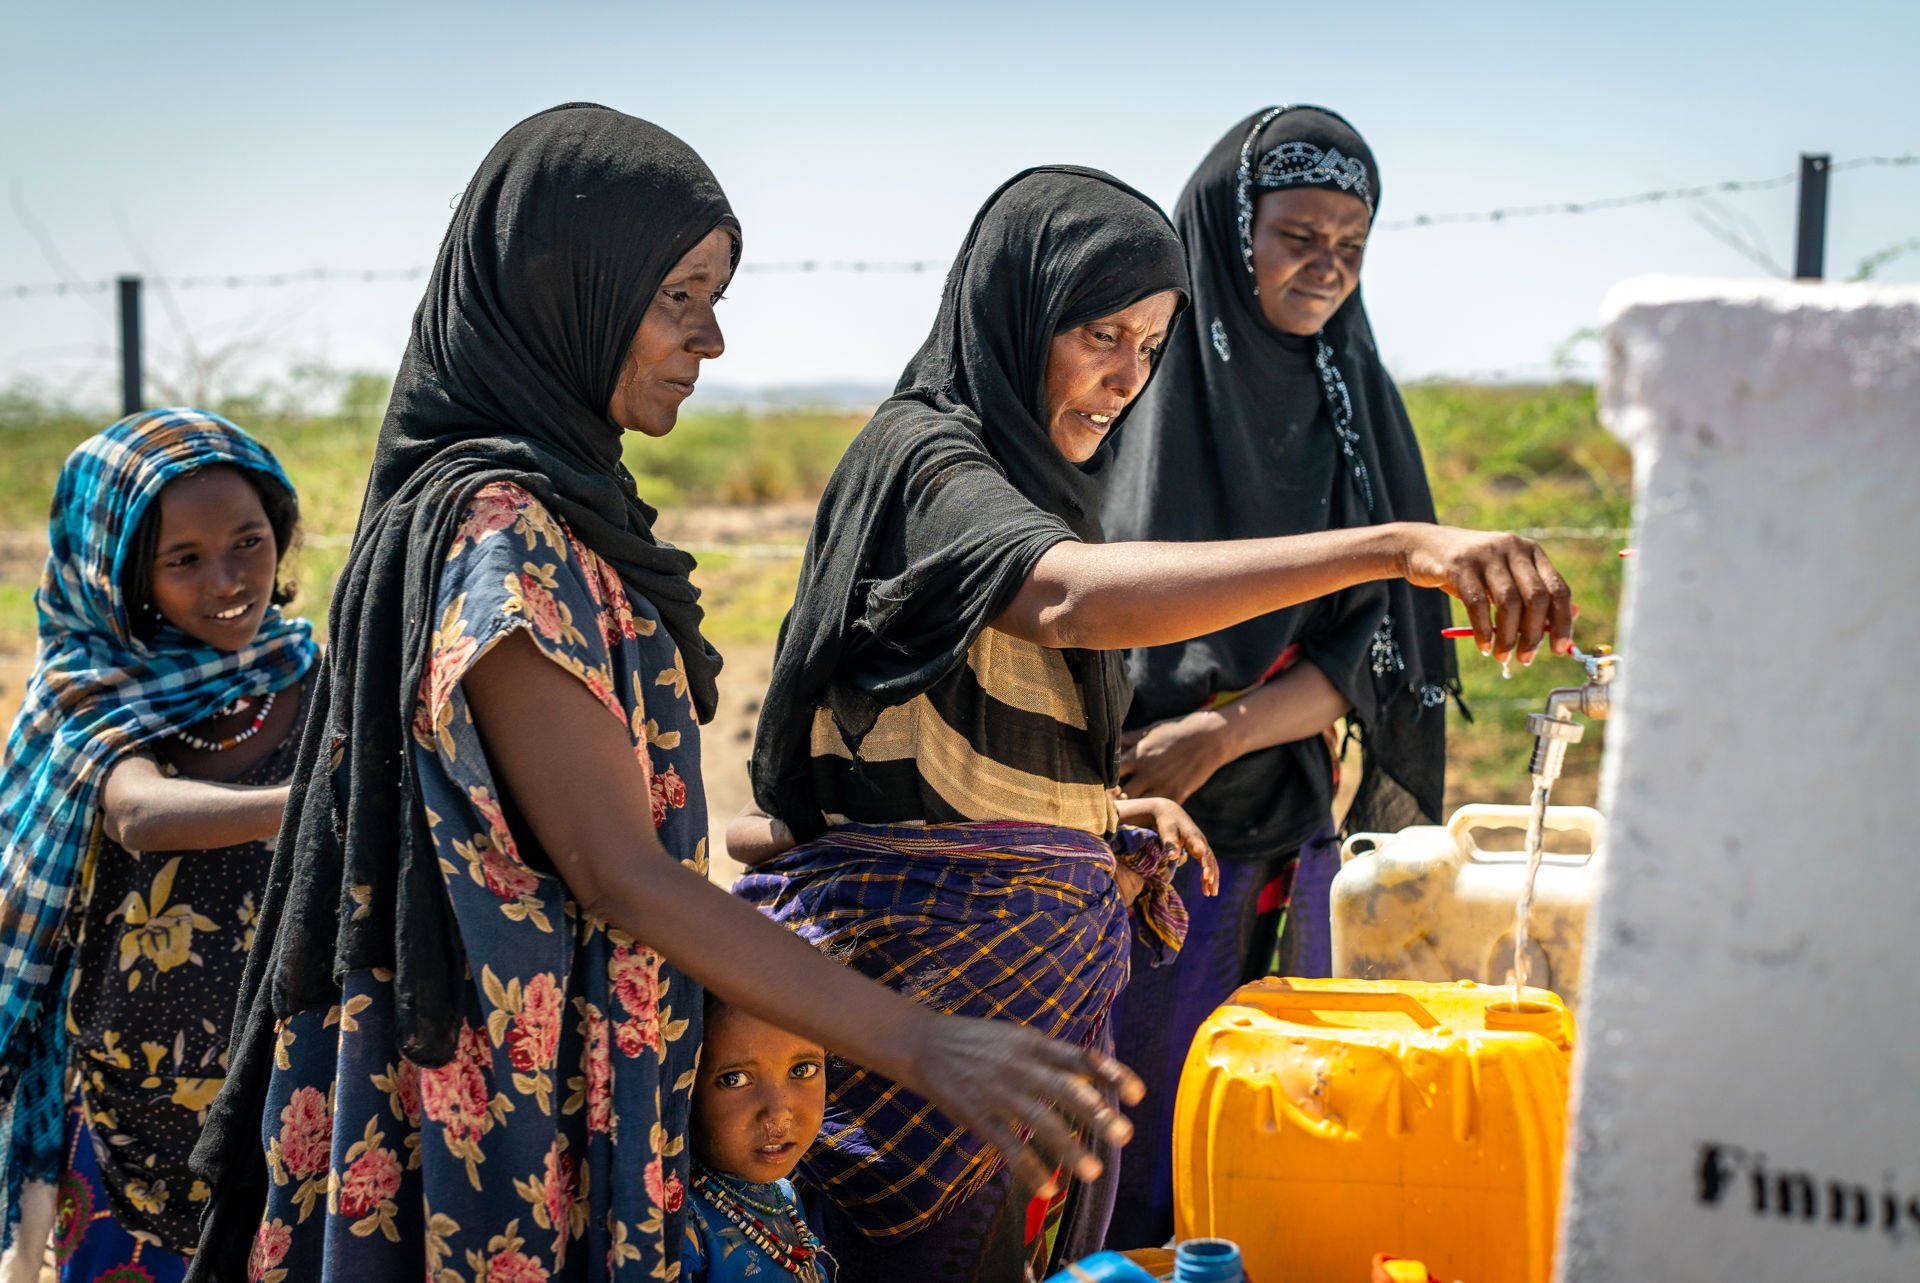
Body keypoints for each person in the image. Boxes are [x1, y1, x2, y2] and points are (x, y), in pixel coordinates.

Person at [181, 106, 1139, 1283]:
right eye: (678, 295)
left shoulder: (573, 517)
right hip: (501, 1091)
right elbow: (614, 865)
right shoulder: (502, 535)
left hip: (582, 1059)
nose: (712, 339)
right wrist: (919, 1040)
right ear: (563, 287)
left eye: (715, 296)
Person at [738, 166, 1574, 1279]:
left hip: (1010, 1035)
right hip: (924, 1047)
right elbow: (1070, 597)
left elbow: (962, 729)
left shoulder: (1028, 477)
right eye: (1099, 334)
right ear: (1017, 309)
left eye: (1152, 344)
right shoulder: (933, 461)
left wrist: (1095, 811)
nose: (1126, 377)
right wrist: (1393, 545)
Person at [1098, 104, 1463, 1246]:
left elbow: (1382, 640)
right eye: (1300, 233)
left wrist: (1222, 733)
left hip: (1272, 816)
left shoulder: (1347, 399)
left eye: (1352, 245)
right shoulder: (1122, 380)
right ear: (1226, 229)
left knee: (1267, 1110)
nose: (1329, 267)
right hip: (1101, 824)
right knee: (1121, 1125)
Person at [0, 410, 317, 1282]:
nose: (228, 580)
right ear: (121, 573)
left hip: (293, 1109)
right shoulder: (92, 688)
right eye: (183, 560)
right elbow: (137, 811)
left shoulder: (319, 678)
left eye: (249, 542)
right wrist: (314, 801)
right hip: (123, 1120)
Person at [682, 993, 832, 1282]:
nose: (778, 1114)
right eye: (734, 1078)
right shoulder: (681, 1225)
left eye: (802, 1070)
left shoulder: (783, 1194)